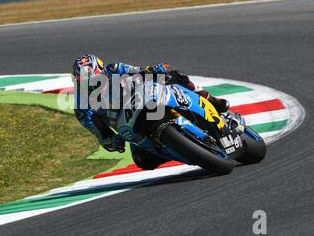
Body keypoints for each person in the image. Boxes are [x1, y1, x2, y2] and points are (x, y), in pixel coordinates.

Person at [72, 53, 230, 170]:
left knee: (177, 76)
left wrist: (154, 70)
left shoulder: (114, 69)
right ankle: (188, 151)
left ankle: (212, 100)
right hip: (130, 126)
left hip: (147, 98)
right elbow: (100, 133)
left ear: (102, 72)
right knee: (142, 160)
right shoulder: (82, 107)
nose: (91, 85)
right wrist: (112, 141)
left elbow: (139, 70)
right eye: (84, 82)